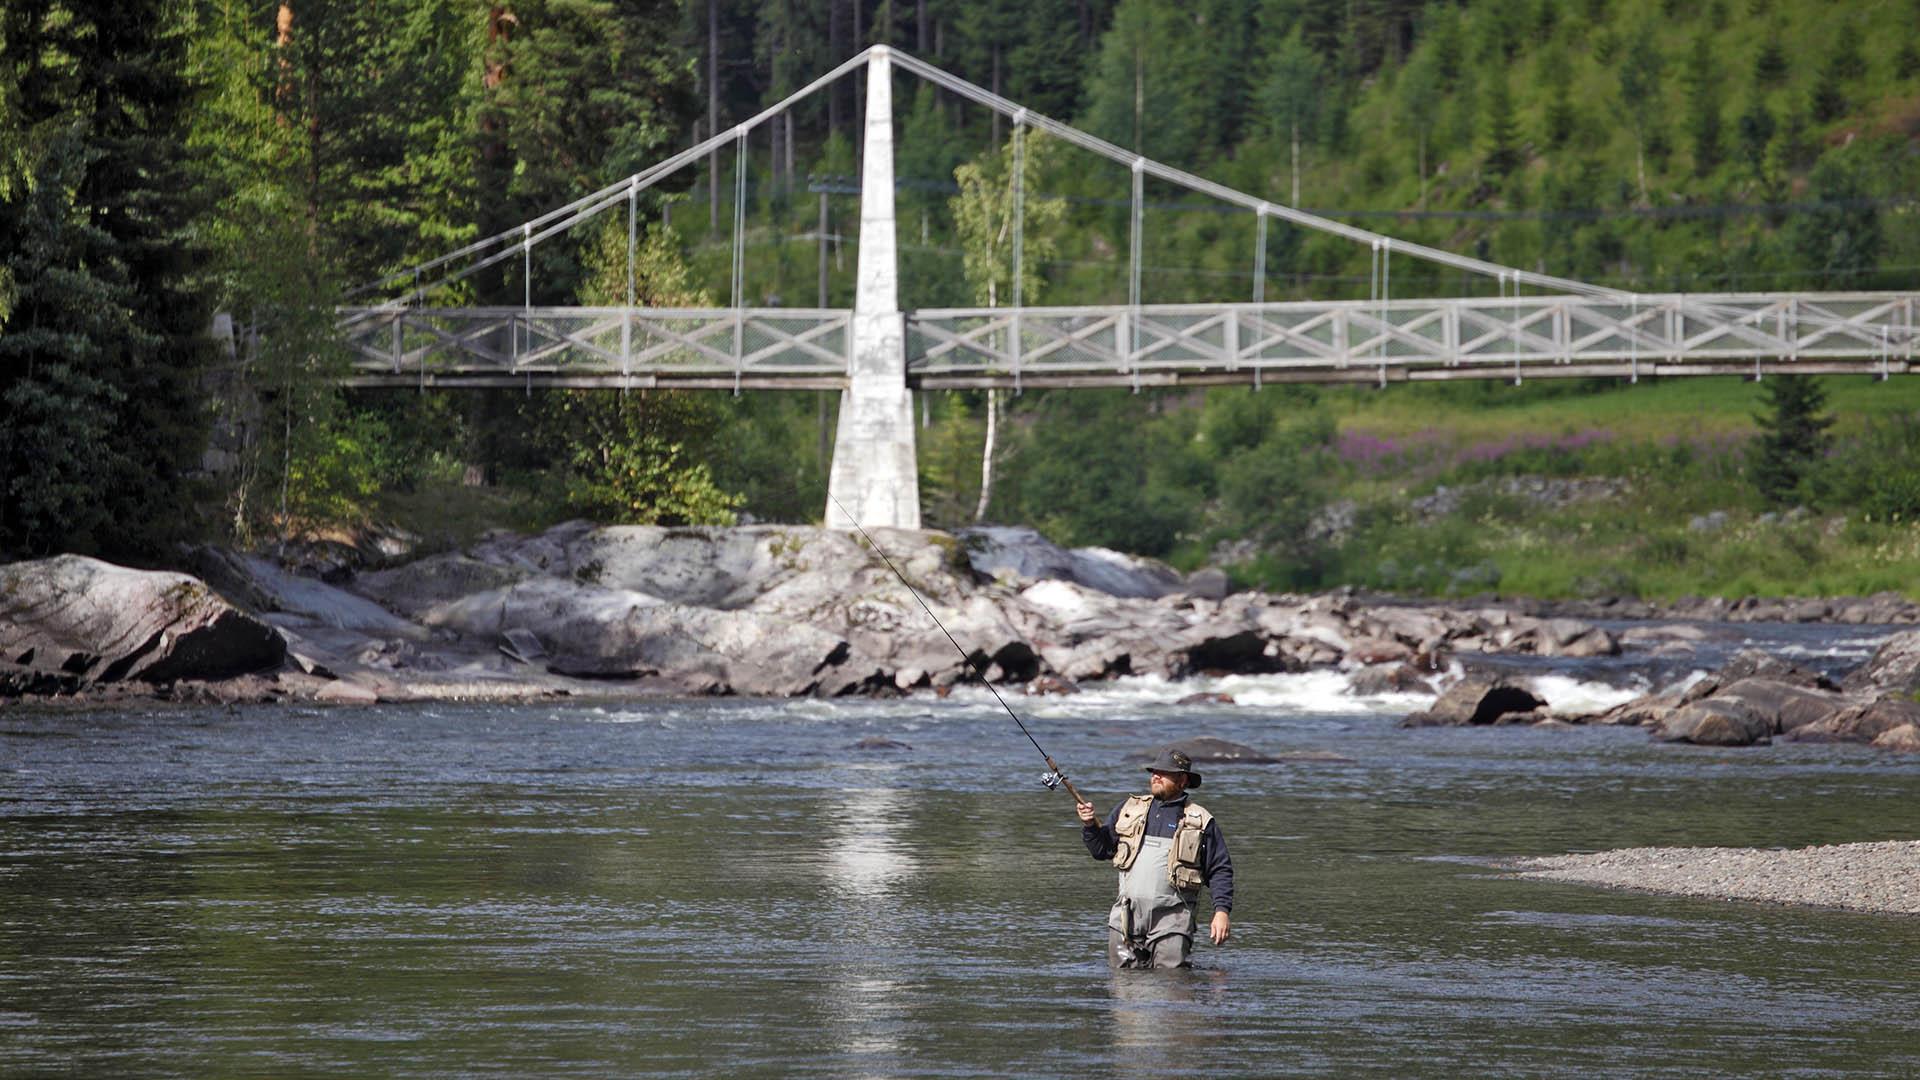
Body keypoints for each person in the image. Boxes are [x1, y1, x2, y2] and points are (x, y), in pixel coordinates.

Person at [1076, 747, 1233, 969]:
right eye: (1154, 771)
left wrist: (1221, 912)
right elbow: (1101, 851)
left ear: (1182, 780)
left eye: (1164, 772)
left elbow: (1220, 869)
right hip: (1125, 919)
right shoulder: (1129, 809)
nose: (1155, 776)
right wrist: (1089, 825)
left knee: (1170, 987)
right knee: (1123, 989)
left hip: (1173, 921)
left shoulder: (1201, 820)